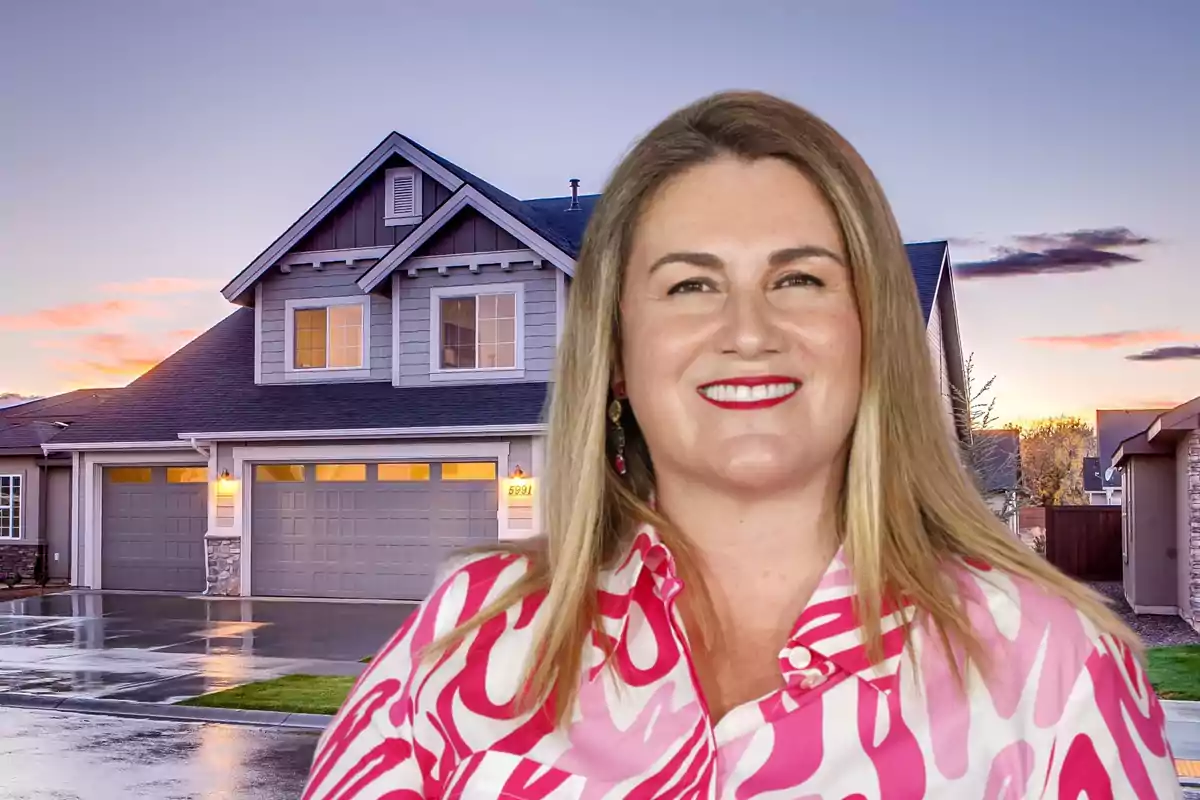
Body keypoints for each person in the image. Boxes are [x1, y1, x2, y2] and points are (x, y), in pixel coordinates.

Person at [302, 91, 1179, 799]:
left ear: (870, 332)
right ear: (614, 354)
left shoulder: (1050, 666)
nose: (748, 330)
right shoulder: (468, 635)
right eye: (690, 285)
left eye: (798, 278)